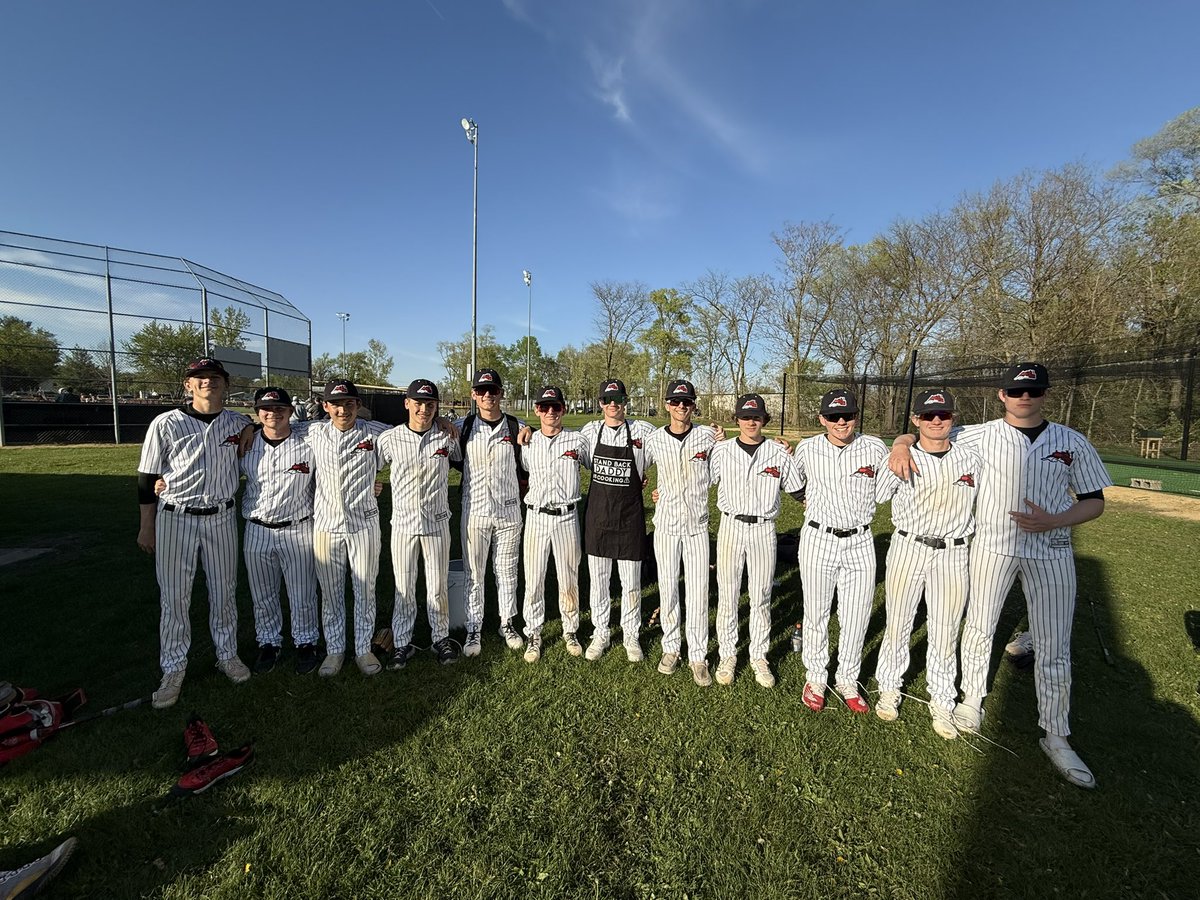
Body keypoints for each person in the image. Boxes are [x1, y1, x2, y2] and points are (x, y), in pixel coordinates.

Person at [888, 362, 1110, 788]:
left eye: (1033, 390)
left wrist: (1056, 519)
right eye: (1016, 390)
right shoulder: (977, 434)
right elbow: (929, 432)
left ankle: (1056, 735)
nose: (1025, 397)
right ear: (1002, 395)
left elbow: (1094, 501)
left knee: (1053, 643)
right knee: (979, 627)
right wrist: (900, 443)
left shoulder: (1071, 440)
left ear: (1045, 394)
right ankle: (972, 699)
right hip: (992, 547)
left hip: (1052, 549)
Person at [136, 357, 252, 710]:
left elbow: (270, 424)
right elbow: (146, 478)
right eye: (199, 378)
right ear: (188, 385)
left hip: (220, 517)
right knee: (174, 598)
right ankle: (173, 669)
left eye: (214, 377)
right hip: (176, 517)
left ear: (225, 384)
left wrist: (252, 427)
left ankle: (227, 655)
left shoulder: (238, 422)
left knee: (224, 592)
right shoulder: (165, 423)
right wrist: (146, 526)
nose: (207, 383)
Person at [873, 390, 980, 739]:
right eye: (929, 415)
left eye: (944, 414)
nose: (937, 420)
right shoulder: (900, 458)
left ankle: (943, 699)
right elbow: (873, 496)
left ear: (952, 417)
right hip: (909, 545)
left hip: (954, 550)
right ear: (916, 419)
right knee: (899, 621)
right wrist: (899, 446)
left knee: (946, 629)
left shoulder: (971, 458)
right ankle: (889, 687)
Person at [792, 389, 888, 714]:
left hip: (860, 540)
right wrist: (805, 500)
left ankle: (848, 678)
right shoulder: (808, 448)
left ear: (856, 416)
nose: (841, 421)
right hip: (818, 537)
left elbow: (890, 488)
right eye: (833, 416)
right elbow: (792, 481)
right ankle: (816, 678)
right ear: (822, 419)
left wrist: (902, 442)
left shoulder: (874, 447)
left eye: (847, 415)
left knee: (856, 615)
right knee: (817, 612)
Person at [708, 393, 804, 688]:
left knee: (761, 595)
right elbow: (697, 483)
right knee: (728, 595)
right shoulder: (721, 451)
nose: (751, 422)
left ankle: (759, 656)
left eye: (757, 417)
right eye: (746, 417)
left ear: (765, 420)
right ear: (737, 420)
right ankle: (727, 654)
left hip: (764, 529)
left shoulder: (777, 453)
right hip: (731, 526)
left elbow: (801, 492)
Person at [378, 379, 462, 668]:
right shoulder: (390, 438)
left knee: (437, 586)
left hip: (437, 522)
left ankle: (440, 637)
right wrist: (374, 484)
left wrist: (444, 422)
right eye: (418, 403)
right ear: (407, 403)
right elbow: (368, 465)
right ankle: (402, 642)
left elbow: (463, 456)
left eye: (430, 404)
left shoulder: (446, 436)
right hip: (402, 523)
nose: (423, 409)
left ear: (437, 406)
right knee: (404, 587)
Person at [308, 378, 389, 678]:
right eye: (336, 404)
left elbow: (413, 431)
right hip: (327, 525)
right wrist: (250, 427)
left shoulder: (376, 432)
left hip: (364, 523)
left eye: (349, 403)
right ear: (325, 406)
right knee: (330, 592)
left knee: (365, 588)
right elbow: (276, 429)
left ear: (358, 405)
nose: (343, 410)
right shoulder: (313, 432)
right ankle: (334, 649)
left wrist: (443, 422)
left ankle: (363, 648)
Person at [239, 386, 321, 676]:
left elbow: (342, 421)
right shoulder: (245, 444)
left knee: (302, 592)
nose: (273, 414)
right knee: (263, 593)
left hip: (297, 526)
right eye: (266, 409)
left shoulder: (308, 439)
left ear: (289, 412)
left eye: (279, 409)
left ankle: (306, 642)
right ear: (257, 413)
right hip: (257, 528)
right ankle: (269, 643)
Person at [578, 378, 658, 662]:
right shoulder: (589, 432)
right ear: (600, 403)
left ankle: (631, 634)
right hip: (598, 518)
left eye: (619, 399)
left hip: (630, 518)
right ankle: (600, 632)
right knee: (599, 582)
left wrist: (714, 434)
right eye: (608, 399)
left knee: (631, 583)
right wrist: (527, 432)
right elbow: (559, 440)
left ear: (626, 401)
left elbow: (675, 442)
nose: (613, 404)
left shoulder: (643, 431)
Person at [643, 379, 717, 686]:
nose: (681, 407)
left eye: (686, 402)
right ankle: (671, 647)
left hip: (697, 526)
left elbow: (723, 471)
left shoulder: (708, 437)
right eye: (675, 402)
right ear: (666, 405)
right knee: (669, 588)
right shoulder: (655, 439)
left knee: (698, 591)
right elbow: (636, 469)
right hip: (666, 526)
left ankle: (698, 655)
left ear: (694, 405)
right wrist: (652, 489)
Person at [455, 369, 528, 656]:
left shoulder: (516, 426)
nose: (488, 395)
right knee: (474, 572)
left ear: (501, 393)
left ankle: (506, 622)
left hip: (509, 511)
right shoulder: (462, 426)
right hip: (474, 511)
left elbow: (530, 464)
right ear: (474, 394)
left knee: (507, 570)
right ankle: (474, 627)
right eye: (482, 391)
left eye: (493, 390)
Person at [518, 385, 591, 662]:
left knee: (568, 576)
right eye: (544, 407)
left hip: (567, 516)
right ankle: (533, 633)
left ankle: (570, 629)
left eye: (556, 407)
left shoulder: (577, 441)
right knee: (534, 578)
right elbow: (523, 470)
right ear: (536, 410)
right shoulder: (528, 441)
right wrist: (525, 428)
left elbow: (598, 467)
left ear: (564, 409)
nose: (550, 412)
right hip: (536, 516)